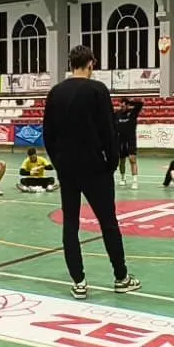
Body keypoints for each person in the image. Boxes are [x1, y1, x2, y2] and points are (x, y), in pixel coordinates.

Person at [42, 44, 140, 299]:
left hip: (67, 169)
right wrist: (110, 164)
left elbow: (48, 135)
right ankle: (121, 277)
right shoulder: (97, 90)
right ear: (91, 63)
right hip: (95, 167)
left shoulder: (55, 92)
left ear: (71, 63)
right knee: (108, 223)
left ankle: (79, 282)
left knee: (70, 225)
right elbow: (109, 132)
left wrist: (59, 162)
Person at [115, 97, 144, 189]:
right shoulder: (117, 114)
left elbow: (140, 104)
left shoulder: (133, 112)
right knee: (122, 160)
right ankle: (123, 178)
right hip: (120, 139)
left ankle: (135, 181)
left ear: (127, 105)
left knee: (132, 159)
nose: (122, 107)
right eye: (121, 105)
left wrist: (130, 102)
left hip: (130, 139)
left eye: (123, 105)